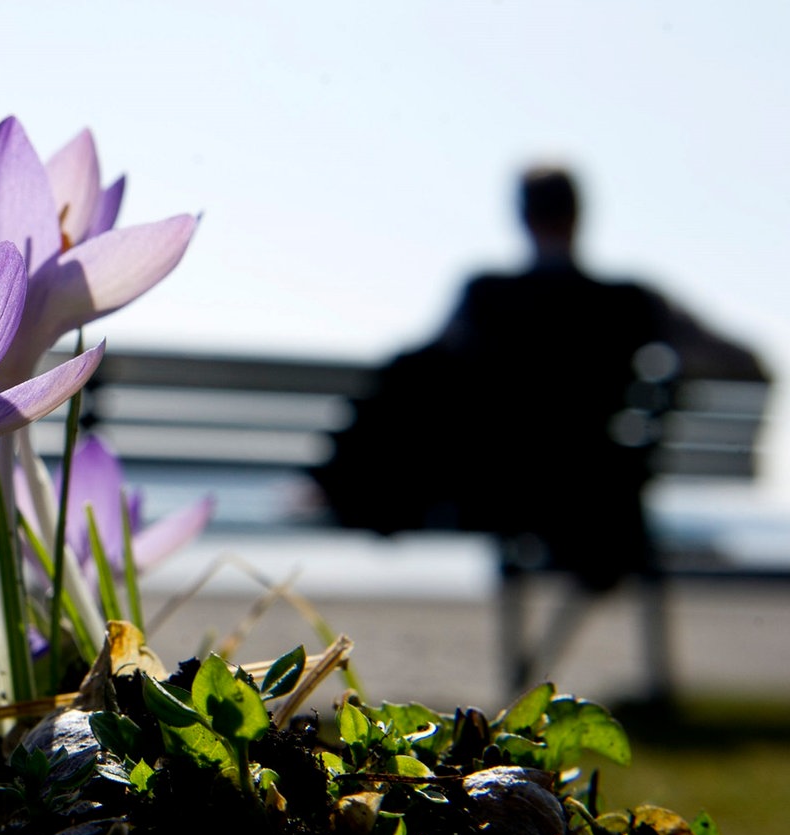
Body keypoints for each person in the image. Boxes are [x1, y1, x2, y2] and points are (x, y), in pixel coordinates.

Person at [313, 165, 766, 592]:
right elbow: (744, 360)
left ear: (523, 216)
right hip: (597, 495)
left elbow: (418, 371)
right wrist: (676, 373)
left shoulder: (486, 295)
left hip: (500, 490)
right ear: (581, 214)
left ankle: (323, 492)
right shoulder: (630, 300)